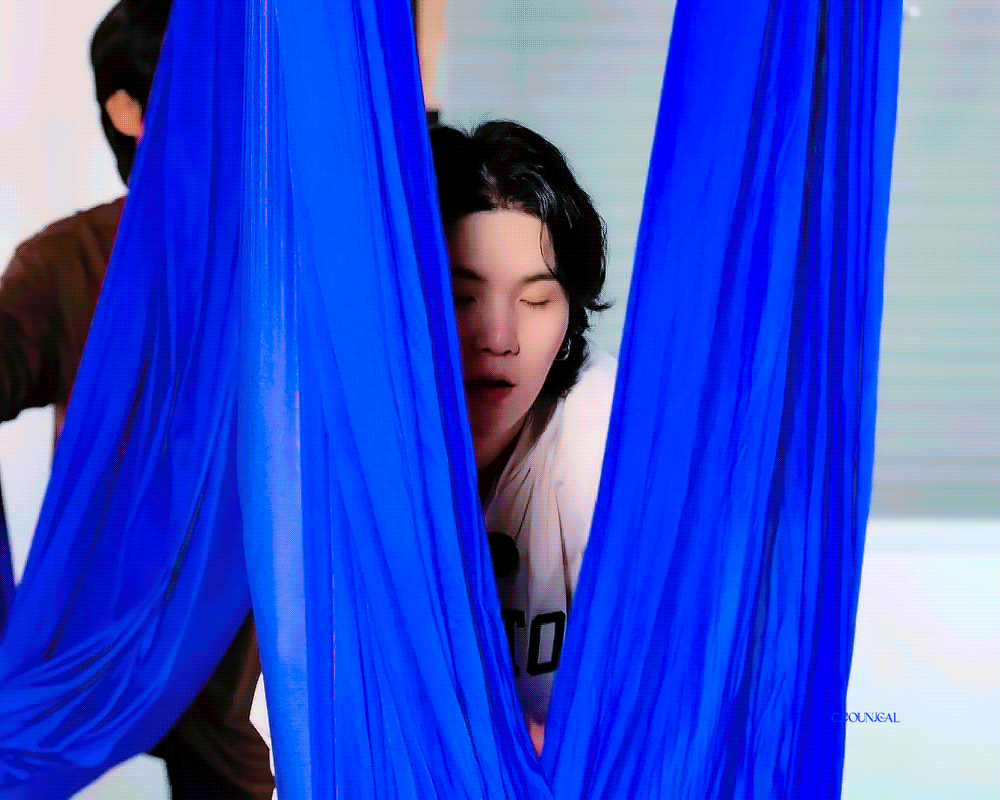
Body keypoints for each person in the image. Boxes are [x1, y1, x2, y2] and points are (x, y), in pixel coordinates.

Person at [0, 2, 274, 797]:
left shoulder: (275, 269)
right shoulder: (68, 261)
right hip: (104, 610)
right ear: (127, 110)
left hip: (234, 628)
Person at [429, 120, 615, 754]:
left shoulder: (596, 423)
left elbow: (658, 708)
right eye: (462, 298)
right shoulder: (355, 436)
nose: (499, 339)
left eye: (536, 301)